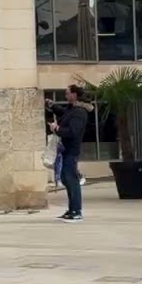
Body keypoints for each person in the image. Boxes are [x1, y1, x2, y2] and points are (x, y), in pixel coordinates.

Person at [48, 85, 89, 222]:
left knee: (71, 179)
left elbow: (73, 132)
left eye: (67, 93)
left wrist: (57, 129)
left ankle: (76, 211)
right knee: (65, 178)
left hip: (71, 150)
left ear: (74, 95)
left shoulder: (79, 112)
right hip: (65, 150)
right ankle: (72, 209)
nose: (65, 96)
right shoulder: (72, 109)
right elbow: (64, 113)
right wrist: (52, 106)